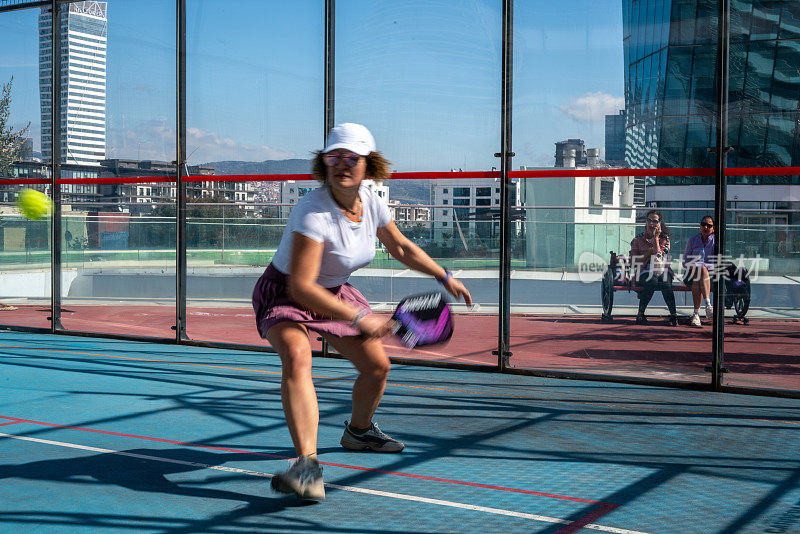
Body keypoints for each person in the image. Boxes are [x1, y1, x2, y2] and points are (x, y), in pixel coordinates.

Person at [252, 123, 472, 500]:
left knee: (377, 367)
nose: (342, 164)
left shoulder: (370, 200)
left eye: (352, 158)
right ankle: (306, 465)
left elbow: (400, 247)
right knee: (296, 354)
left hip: (335, 292)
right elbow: (301, 287)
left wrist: (443, 275)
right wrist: (358, 318)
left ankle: (358, 432)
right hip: (286, 293)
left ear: (369, 165)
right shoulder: (312, 211)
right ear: (324, 163)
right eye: (333, 156)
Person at [629, 209, 678, 326]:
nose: (652, 224)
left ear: (660, 223)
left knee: (666, 282)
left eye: (655, 221)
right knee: (652, 280)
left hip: (662, 270)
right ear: (646, 222)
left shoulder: (664, 239)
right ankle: (640, 314)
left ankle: (673, 316)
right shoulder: (637, 240)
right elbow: (632, 261)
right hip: (644, 270)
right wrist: (646, 255)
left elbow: (659, 257)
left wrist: (656, 239)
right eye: (649, 220)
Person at [683, 215, 715, 327]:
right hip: (691, 273)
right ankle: (708, 306)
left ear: (714, 228)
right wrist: (694, 265)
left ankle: (696, 314)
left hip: (711, 276)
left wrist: (702, 266)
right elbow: (685, 262)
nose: (705, 227)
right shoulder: (692, 240)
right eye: (703, 224)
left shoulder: (716, 241)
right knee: (698, 271)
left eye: (709, 225)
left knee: (700, 272)